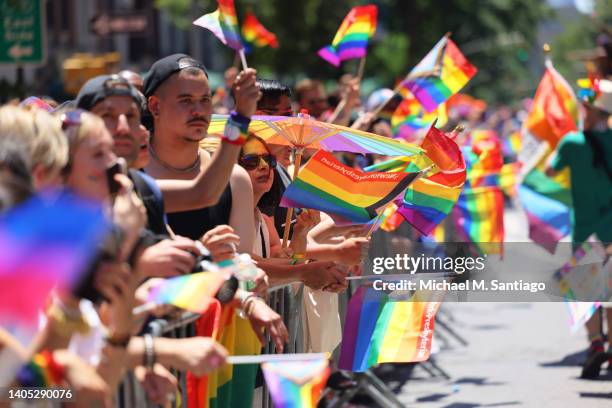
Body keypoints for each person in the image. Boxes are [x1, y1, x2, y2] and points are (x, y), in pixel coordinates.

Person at [546, 79, 612, 378]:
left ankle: (596, 342)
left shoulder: (572, 142)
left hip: (585, 230)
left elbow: (549, 171)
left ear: (591, 111)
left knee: (587, 290)